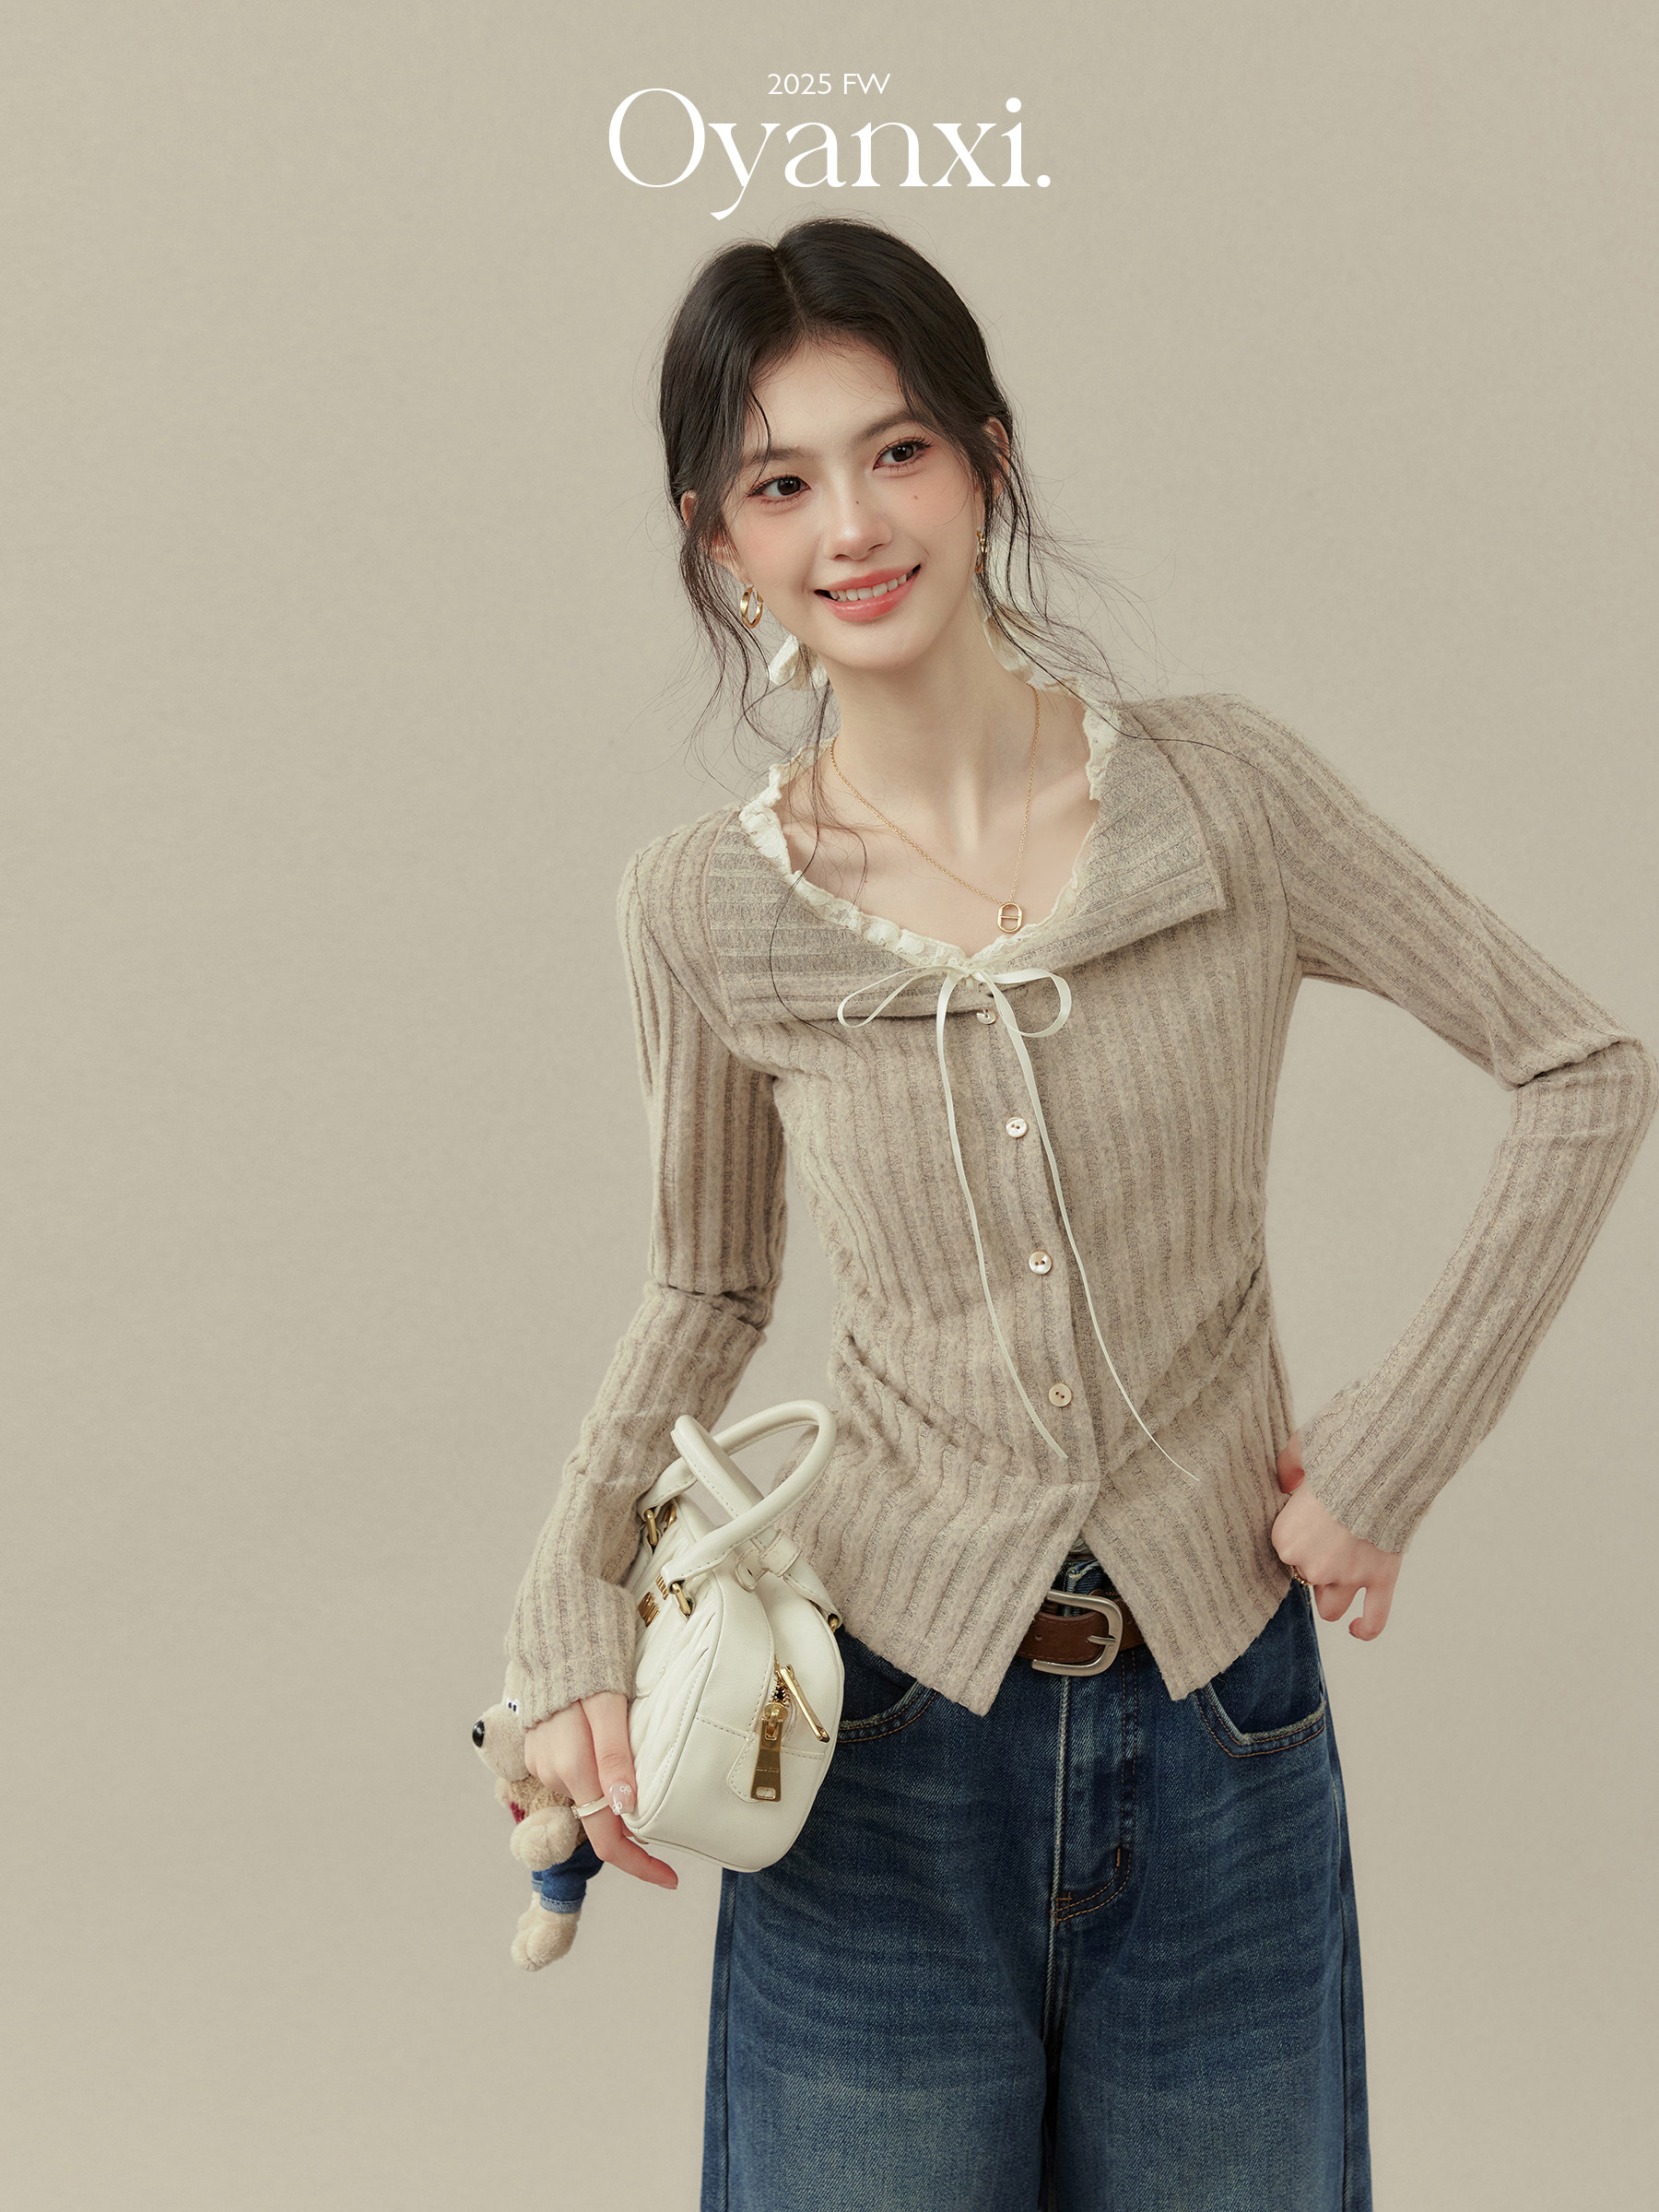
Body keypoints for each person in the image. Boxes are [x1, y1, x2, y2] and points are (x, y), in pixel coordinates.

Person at [502, 217, 1657, 2210]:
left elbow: (1583, 1067)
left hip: (1225, 1727)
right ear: (719, 542)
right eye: (781, 485)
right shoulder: (705, 908)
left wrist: (1392, 1448)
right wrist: (563, 1607)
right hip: (872, 1752)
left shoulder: (1228, 797)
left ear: (988, 458)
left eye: (897, 452)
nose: (853, 526)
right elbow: (706, 1283)